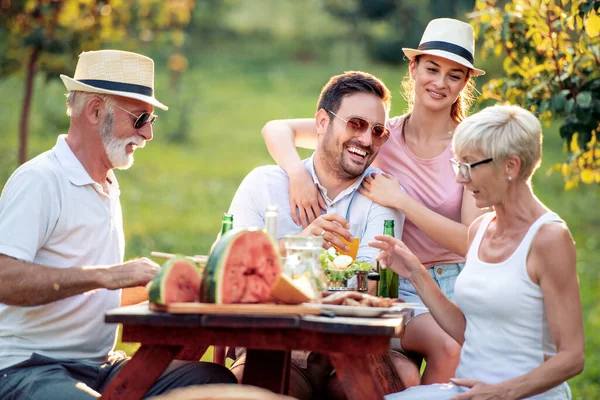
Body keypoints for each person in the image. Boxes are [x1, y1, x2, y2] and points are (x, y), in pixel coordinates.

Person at [0, 50, 236, 399]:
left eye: (152, 120)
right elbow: (4, 278)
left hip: (100, 366)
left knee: (215, 383)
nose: (149, 134)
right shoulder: (40, 180)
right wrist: (105, 275)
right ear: (95, 111)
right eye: (141, 119)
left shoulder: (108, 186)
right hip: (27, 367)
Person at [261, 18, 485, 384]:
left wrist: (404, 202)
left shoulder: (471, 147)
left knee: (453, 352)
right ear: (413, 68)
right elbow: (276, 128)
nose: (440, 83)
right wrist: (297, 175)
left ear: (465, 83)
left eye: (454, 75)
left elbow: (472, 241)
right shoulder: (379, 133)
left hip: (455, 283)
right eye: (432, 68)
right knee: (400, 372)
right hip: (393, 281)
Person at [370, 104, 584, 399]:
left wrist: (500, 392)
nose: (460, 179)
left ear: (511, 166)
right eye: (458, 165)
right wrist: (415, 272)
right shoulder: (481, 227)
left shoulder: (549, 239)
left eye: (469, 166)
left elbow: (572, 357)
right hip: (467, 391)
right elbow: (469, 333)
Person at [227, 71, 411, 399]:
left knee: (393, 384)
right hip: (279, 346)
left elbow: (372, 285)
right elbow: (226, 265)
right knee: (253, 389)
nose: (367, 141)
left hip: (359, 349)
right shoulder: (264, 184)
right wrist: (302, 248)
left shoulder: (382, 193)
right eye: (356, 124)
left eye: (377, 131)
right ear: (322, 122)